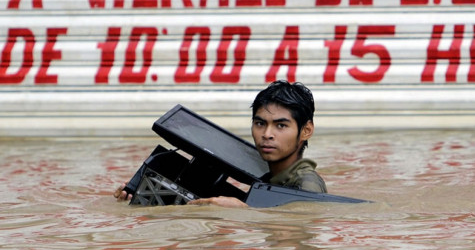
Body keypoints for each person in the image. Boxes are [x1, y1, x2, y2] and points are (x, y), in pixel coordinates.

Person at [114, 80, 327, 207]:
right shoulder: (269, 176)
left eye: (281, 126)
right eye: (260, 123)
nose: (267, 134)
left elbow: (304, 222)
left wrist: (244, 211)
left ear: (306, 131)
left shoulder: (306, 184)